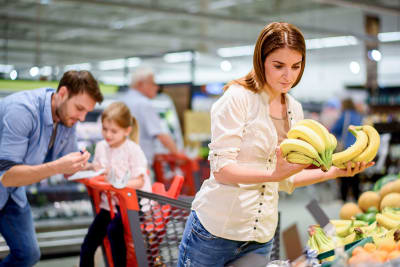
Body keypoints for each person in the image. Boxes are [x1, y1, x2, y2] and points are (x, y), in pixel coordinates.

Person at [177, 22, 374, 266]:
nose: (288, 75)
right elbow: (223, 171)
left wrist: (335, 172)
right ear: (261, 61)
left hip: (261, 236)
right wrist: (273, 173)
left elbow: (283, 179)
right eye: (278, 65)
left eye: (296, 66)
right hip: (215, 232)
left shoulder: (295, 110)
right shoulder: (237, 99)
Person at [0, 70, 103, 266]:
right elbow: (7, 176)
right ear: (62, 93)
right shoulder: (22, 111)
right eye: (79, 108)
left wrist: (91, 166)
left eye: (86, 112)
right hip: (7, 182)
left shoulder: (66, 119)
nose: (82, 117)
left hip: (12, 194)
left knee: (28, 254)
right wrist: (57, 166)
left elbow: (67, 168)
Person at [79, 102, 152, 267]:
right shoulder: (101, 147)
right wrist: (89, 166)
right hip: (109, 204)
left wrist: (118, 185)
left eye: (113, 131)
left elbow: (140, 180)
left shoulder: (133, 150)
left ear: (127, 130)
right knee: (89, 244)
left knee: (114, 232)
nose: (108, 135)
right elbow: (99, 170)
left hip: (133, 205)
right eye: (104, 129)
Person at [121, 67, 180, 167]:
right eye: (153, 83)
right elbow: (161, 135)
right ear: (140, 84)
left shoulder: (122, 100)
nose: (156, 87)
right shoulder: (144, 104)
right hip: (138, 163)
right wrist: (178, 156)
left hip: (121, 160)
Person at [331, 98, 364, 202]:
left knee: (344, 175)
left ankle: (344, 199)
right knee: (356, 176)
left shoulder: (345, 115)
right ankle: (357, 199)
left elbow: (333, 130)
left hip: (346, 149)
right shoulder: (358, 115)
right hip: (358, 149)